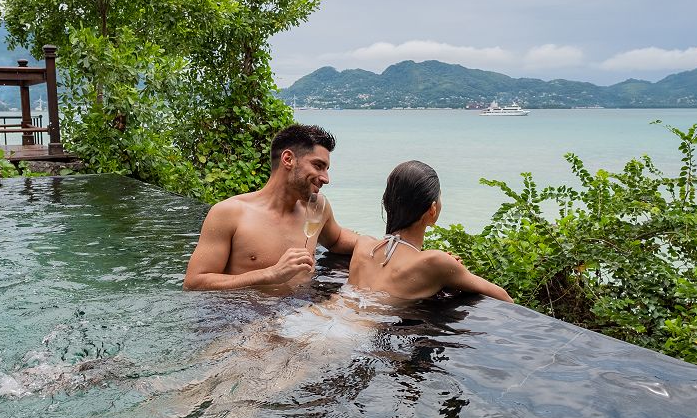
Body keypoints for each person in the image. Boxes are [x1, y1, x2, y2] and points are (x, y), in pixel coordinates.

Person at [184, 124, 358, 291]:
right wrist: (270, 274)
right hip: (249, 316)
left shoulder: (317, 207)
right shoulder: (230, 213)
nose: (326, 178)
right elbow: (194, 282)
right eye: (318, 166)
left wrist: (382, 246)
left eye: (326, 169)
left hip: (303, 314)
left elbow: (336, 239)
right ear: (288, 159)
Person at [347, 160, 513, 302]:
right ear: (432, 210)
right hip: (358, 336)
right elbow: (505, 298)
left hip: (330, 316)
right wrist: (446, 271)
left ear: (387, 203)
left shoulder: (363, 245)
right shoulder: (436, 262)